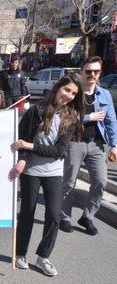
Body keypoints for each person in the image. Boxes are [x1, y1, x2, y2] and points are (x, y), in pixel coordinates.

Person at [8, 74, 83, 276]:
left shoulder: (71, 117)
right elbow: (21, 136)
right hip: (31, 171)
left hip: (54, 173)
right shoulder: (37, 109)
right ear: (58, 87)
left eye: (73, 93)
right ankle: (20, 253)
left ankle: (43, 257)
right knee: (27, 213)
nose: (69, 96)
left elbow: (59, 151)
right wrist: (22, 157)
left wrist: (29, 146)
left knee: (53, 215)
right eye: (67, 90)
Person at [60, 56, 117, 235]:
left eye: (96, 71)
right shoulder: (73, 93)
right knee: (68, 182)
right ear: (81, 71)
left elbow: (111, 121)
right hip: (74, 142)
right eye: (88, 71)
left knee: (100, 181)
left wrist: (114, 145)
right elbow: (63, 116)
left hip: (97, 145)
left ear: (100, 73)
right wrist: (87, 118)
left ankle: (87, 216)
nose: (92, 74)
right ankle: (64, 217)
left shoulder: (104, 94)